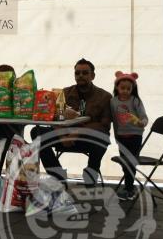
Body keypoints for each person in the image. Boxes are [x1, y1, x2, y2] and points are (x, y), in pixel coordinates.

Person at [37, 58, 112, 186]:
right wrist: (60, 134)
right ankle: (57, 174)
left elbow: (104, 126)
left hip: (88, 139)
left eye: (85, 73)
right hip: (64, 137)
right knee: (37, 132)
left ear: (93, 76)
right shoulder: (64, 93)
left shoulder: (105, 96)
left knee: (102, 139)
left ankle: (91, 173)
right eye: (77, 73)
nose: (80, 76)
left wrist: (77, 133)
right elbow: (54, 117)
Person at [111, 71, 148, 201]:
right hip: (121, 136)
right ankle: (129, 187)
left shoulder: (135, 101)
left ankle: (129, 189)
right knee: (125, 163)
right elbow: (113, 120)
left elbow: (144, 118)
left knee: (130, 163)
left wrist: (141, 123)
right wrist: (115, 135)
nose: (125, 91)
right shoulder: (113, 101)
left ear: (133, 89)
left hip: (135, 135)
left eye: (128, 88)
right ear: (117, 87)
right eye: (122, 88)